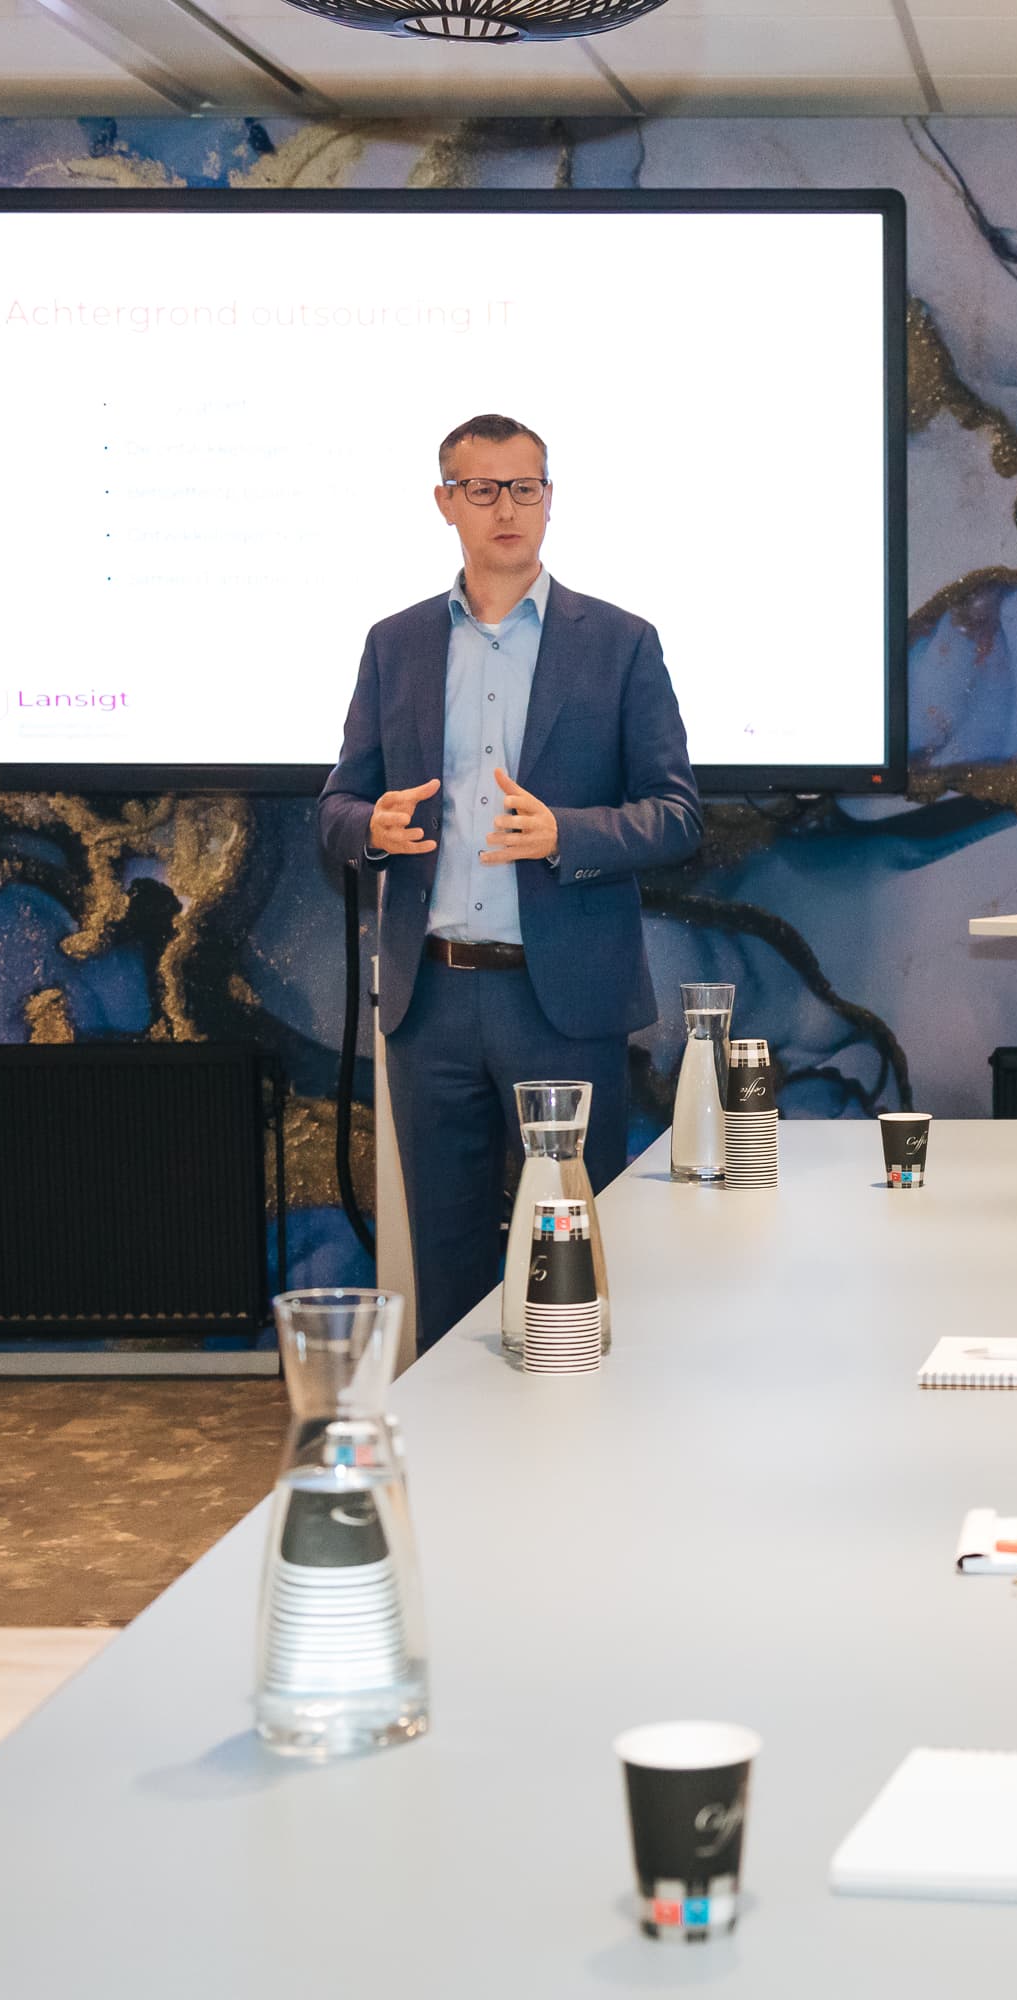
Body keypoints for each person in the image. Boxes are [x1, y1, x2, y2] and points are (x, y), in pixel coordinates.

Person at [319, 414, 702, 1353]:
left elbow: (679, 813)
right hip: (432, 999)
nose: (506, 508)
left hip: (560, 998)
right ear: (445, 502)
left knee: (568, 1257)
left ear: (549, 499)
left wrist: (565, 833)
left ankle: (579, 1452)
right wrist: (367, 828)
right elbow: (335, 806)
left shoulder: (619, 642)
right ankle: (457, 1474)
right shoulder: (395, 644)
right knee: (446, 1261)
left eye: (524, 487)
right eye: (482, 489)